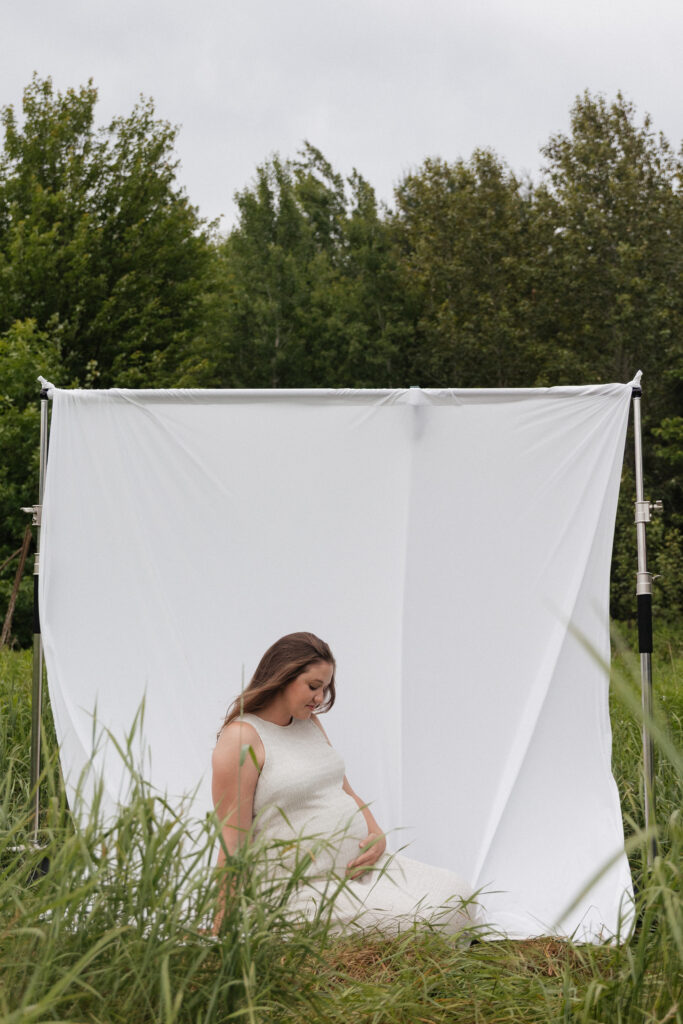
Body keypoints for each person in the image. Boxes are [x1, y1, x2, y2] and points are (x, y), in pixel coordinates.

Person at [211, 631, 473, 935]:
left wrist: (376, 835)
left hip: (359, 870)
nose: (320, 699)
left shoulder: (309, 723)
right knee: (427, 920)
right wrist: (222, 927)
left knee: (458, 894)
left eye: (325, 688)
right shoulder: (242, 738)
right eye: (313, 687)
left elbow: (343, 789)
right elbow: (233, 840)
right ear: (282, 677)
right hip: (302, 890)